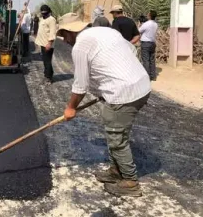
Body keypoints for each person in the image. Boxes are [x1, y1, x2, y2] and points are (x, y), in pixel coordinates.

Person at [58, 12, 151, 197]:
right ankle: (116, 171)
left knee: (117, 138)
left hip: (124, 93)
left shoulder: (81, 46)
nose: (64, 40)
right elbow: (131, 51)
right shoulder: (106, 31)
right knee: (116, 131)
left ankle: (130, 182)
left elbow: (81, 84)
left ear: (70, 32)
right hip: (141, 84)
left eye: (64, 35)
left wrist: (71, 107)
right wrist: (105, 89)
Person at [35, 5, 56, 83]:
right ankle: (48, 74)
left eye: (45, 13)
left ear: (48, 11)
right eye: (42, 13)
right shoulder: (42, 19)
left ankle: (48, 77)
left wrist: (49, 43)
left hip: (47, 44)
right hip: (42, 43)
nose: (44, 14)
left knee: (47, 61)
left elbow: (53, 32)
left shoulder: (52, 20)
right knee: (45, 60)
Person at [139, 10, 158, 81]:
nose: (147, 15)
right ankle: (153, 76)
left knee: (146, 60)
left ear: (150, 15)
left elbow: (139, 31)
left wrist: (140, 24)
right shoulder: (155, 24)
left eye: (148, 14)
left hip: (146, 43)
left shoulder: (146, 24)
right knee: (152, 60)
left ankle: (146, 77)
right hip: (152, 43)